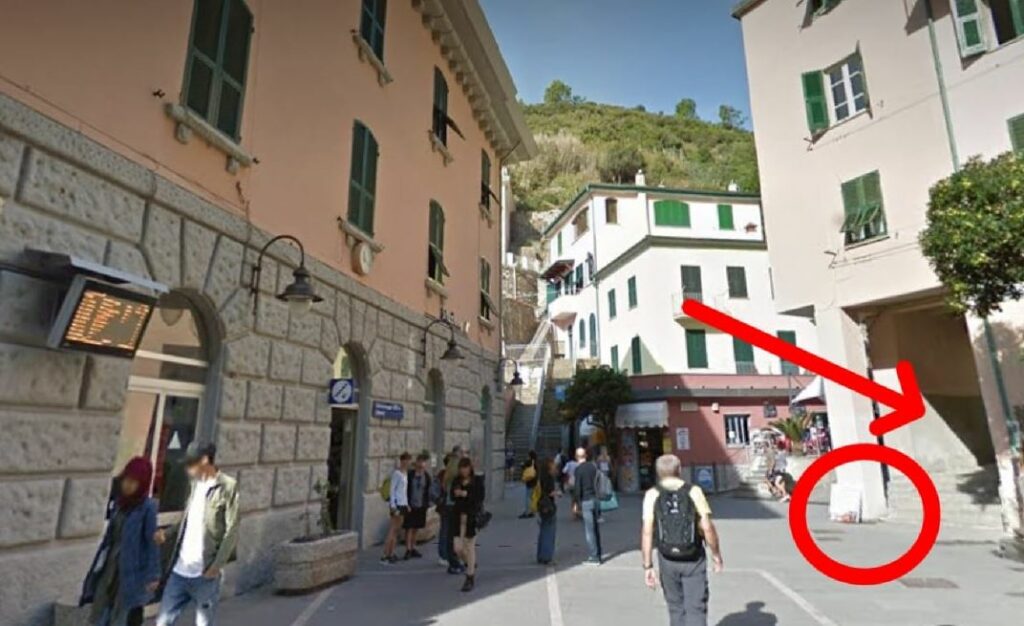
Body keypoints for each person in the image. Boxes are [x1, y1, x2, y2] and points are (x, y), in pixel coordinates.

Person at [156, 442, 240, 626]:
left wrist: (216, 566)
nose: (187, 468)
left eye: (191, 463)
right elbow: (187, 519)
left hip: (205, 575)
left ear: (204, 461)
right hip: (179, 572)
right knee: (163, 622)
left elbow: (232, 530)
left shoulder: (227, 487)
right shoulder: (194, 485)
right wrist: (167, 533)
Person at [641, 454, 723, 626]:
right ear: (679, 470)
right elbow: (707, 526)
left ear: (658, 472)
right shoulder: (693, 491)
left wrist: (648, 566)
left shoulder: (652, 494)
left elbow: (647, 531)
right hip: (693, 557)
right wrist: (716, 554)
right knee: (696, 608)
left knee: (675, 607)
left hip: (667, 558)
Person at [80, 457, 161, 626]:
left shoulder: (147, 508)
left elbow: (151, 541)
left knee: (120, 613)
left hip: (131, 570)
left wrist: (153, 574)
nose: (128, 485)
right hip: (110, 565)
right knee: (100, 606)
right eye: (127, 480)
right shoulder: (120, 504)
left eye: (134, 482)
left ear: (142, 483)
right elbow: (109, 537)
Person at [450, 457, 484, 592]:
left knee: (469, 547)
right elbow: (452, 496)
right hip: (458, 517)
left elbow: (479, 498)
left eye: (466, 468)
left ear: (470, 468)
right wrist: (456, 493)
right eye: (461, 468)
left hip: (471, 517)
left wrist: (466, 494)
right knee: (457, 548)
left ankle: (470, 577)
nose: (464, 471)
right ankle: (470, 563)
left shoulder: (477, 481)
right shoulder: (456, 480)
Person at [573, 446, 603, 564]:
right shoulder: (593, 467)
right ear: (585, 455)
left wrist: (576, 503)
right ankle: (598, 553)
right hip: (596, 499)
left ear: (576, 457)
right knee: (596, 529)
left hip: (586, 500)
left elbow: (577, 488)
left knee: (589, 530)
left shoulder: (578, 470)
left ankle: (594, 557)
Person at [381, 452, 411, 564]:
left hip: (402, 504)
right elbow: (392, 490)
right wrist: (393, 505)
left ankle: (391, 553)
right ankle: (385, 554)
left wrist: (407, 504)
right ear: (401, 461)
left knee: (396, 530)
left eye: (408, 460)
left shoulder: (405, 474)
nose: (407, 463)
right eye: (405, 460)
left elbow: (404, 491)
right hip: (397, 504)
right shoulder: (397, 474)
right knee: (393, 529)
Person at [443, 445, 467, 574]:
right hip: (454, 506)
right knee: (453, 535)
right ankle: (454, 562)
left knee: (451, 534)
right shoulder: (456, 471)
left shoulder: (449, 469)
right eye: (462, 452)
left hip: (449, 505)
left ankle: (454, 561)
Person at [403, 453, 432, 560]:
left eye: (423, 462)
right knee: (409, 527)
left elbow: (428, 491)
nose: (421, 464)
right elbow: (406, 489)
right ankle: (408, 549)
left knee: (416, 527)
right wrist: (405, 503)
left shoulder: (426, 476)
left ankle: (413, 547)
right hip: (410, 504)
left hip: (421, 505)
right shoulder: (410, 475)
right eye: (420, 461)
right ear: (416, 463)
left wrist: (427, 504)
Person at [536, 458, 560, 565]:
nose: (555, 466)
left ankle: (541, 555)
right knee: (549, 533)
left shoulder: (541, 477)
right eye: (553, 464)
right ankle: (547, 556)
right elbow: (550, 492)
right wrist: (558, 493)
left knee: (543, 531)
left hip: (542, 506)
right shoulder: (549, 478)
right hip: (548, 506)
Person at [519, 450, 538, 519]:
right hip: (535, 482)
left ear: (530, 456)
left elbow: (523, 466)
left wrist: (522, 464)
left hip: (530, 482)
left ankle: (527, 512)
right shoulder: (536, 462)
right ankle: (532, 512)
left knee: (528, 498)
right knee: (532, 498)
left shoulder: (529, 462)